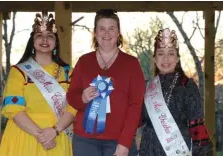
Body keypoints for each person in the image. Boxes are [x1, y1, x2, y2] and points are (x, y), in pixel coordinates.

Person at [67, 9, 145, 156]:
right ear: (95, 33)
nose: (106, 33)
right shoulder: (84, 62)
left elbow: (136, 106)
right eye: (101, 29)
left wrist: (125, 142)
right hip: (85, 140)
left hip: (119, 141)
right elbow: (71, 96)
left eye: (111, 29)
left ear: (118, 33)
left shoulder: (132, 64)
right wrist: (82, 98)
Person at [0, 13, 76, 156]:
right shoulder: (19, 71)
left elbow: (74, 106)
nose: (45, 39)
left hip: (57, 134)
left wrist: (54, 131)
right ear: (32, 41)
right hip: (24, 135)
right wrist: (41, 135)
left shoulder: (68, 73)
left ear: (56, 42)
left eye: (50, 36)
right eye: (39, 35)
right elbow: (13, 108)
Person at [139, 28, 213, 156]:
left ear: (178, 58)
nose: (166, 59)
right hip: (149, 147)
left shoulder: (187, 86)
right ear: (155, 58)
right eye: (161, 53)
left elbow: (197, 125)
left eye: (171, 53)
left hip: (177, 148)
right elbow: (138, 119)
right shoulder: (147, 87)